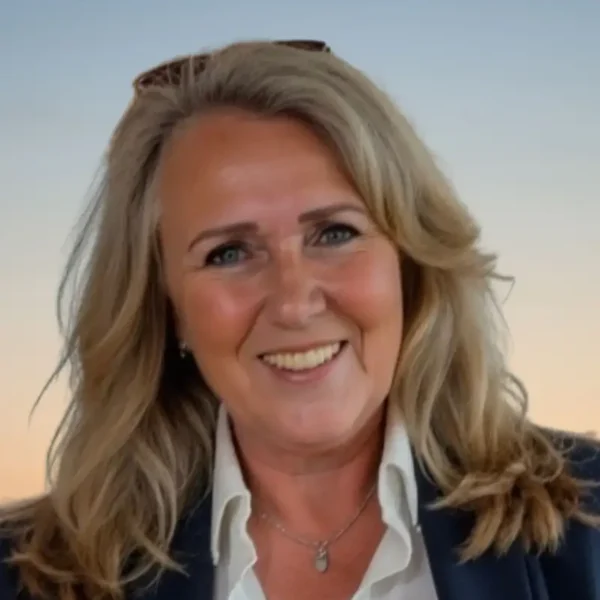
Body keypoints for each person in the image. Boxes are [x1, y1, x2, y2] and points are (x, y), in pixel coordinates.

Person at [1, 38, 599, 600]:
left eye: (334, 233)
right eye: (228, 253)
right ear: (167, 308)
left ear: (409, 263)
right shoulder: (22, 575)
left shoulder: (589, 523)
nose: (293, 302)